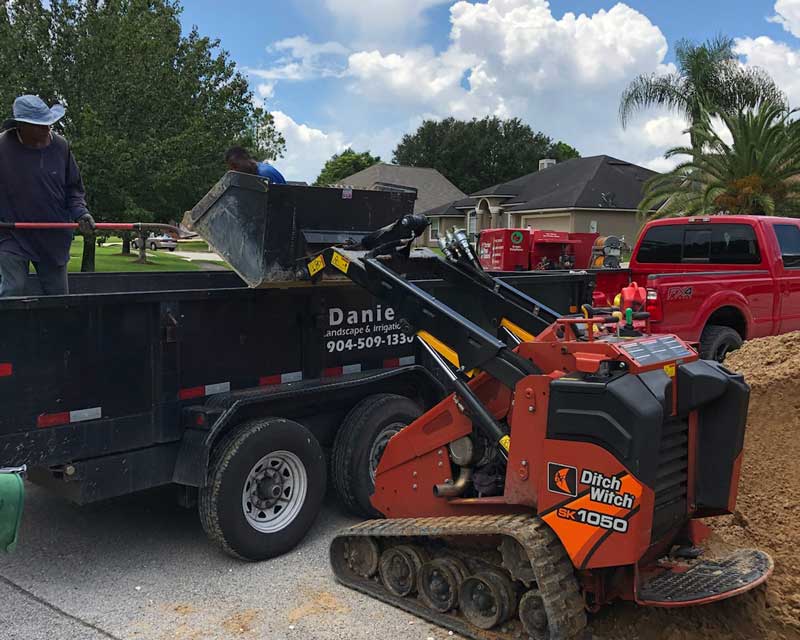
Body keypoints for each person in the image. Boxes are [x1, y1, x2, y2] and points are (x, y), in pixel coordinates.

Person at [0, 95, 95, 296]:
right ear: (21, 126)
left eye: (49, 123)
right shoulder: (3, 147)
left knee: (58, 296)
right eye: (40, 125)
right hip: (11, 233)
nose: (47, 129)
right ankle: (9, 328)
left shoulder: (61, 146)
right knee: (13, 288)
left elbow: (74, 189)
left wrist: (81, 213)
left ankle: (53, 329)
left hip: (53, 235)